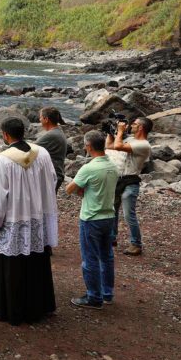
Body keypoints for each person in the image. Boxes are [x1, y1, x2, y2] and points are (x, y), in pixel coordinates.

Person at [0, 117, 58, 325]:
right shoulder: (41, 153)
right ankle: (39, 306)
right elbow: (52, 179)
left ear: (6, 135)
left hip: (15, 219)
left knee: (13, 266)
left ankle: (12, 309)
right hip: (37, 217)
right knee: (36, 262)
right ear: (23, 132)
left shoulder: (3, 159)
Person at [67, 130, 119, 310]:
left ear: (89, 147)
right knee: (107, 257)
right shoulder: (113, 165)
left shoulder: (89, 167)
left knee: (89, 259)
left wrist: (82, 191)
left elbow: (70, 188)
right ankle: (107, 293)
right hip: (109, 216)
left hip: (91, 217)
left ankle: (94, 297)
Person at [105, 116, 152, 256]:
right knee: (112, 210)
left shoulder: (144, 144)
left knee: (128, 215)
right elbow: (109, 146)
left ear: (141, 127)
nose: (131, 125)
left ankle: (136, 244)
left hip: (131, 181)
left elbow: (118, 146)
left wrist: (120, 131)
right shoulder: (130, 140)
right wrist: (110, 132)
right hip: (118, 180)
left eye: (135, 123)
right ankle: (111, 238)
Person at [36, 107, 68, 193]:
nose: (39, 119)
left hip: (52, 175)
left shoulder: (52, 135)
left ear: (46, 119)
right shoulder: (58, 130)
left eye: (41, 117)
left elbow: (30, 149)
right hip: (56, 173)